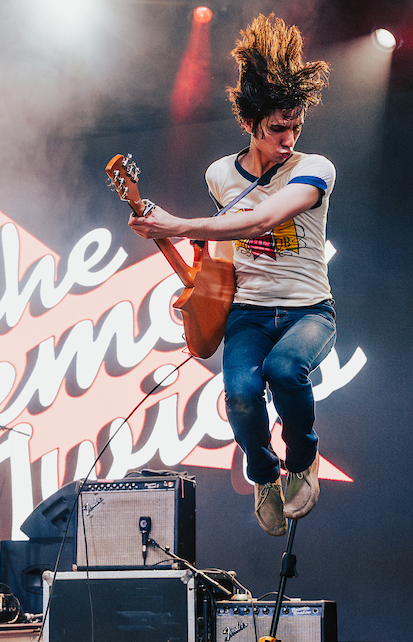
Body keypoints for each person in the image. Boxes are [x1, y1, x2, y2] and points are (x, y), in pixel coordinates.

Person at [129, 14, 335, 535]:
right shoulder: (220, 175)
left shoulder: (316, 168)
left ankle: (302, 459)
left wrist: (174, 223)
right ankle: (265, 476)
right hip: (248, 314)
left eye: (295, 127)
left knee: (286, 371)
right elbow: (225, 240)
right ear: (251, 123)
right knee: (241, 396)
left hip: (309, 311)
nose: (288, 139)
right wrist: (198, 278)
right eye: (276, 128)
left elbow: (264, 217)